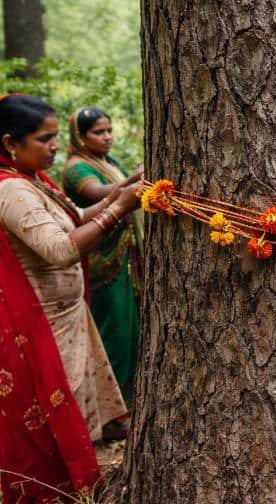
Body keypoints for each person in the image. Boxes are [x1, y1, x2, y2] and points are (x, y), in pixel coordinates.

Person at [0, 94, 141, 500]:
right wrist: (119, 208)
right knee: (54, 416)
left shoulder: (32, 179)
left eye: (56, 136)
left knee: (72, 410)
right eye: (44, 139)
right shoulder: (11, 190)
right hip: (41, 325)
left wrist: (124, 191)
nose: (55, 146)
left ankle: (79, 487)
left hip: (65, 318)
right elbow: (60, 248)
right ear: (10, 143)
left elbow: (75, 218)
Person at [62, 108, 144, 412]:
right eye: (98, 132)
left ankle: (130, 400)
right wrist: (136, 178)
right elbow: (99, 193)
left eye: (109, 130)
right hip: (102, 261)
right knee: (115, 329)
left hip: (124, 257)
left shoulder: (109, 162)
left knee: (132, 326)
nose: (107, 137)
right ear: (80, 137)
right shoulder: (76, 168)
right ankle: (109, 409)